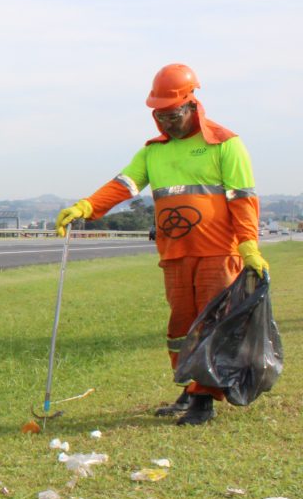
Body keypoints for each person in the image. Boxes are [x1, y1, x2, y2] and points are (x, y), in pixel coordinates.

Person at [56, 63, 266, 426]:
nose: (166, 122)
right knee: (180, 329)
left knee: (211, 325)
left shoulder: (225, 144)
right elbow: (123, 185)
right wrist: (86, 207)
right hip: (175, 254)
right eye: (159, 115)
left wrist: (248, 246)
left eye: (172, 115)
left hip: (217, 253)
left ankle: (204, 399)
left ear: (192, 104)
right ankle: (189, 386)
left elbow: (243, 199)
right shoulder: (153, 152)